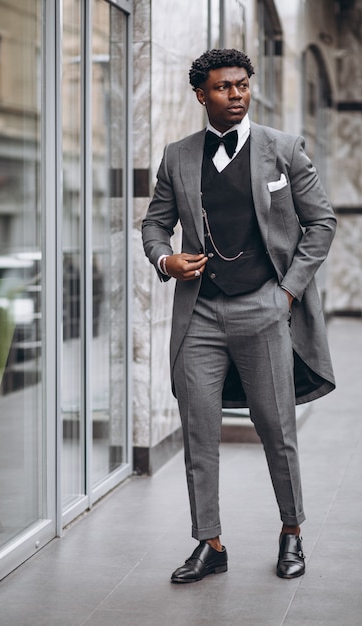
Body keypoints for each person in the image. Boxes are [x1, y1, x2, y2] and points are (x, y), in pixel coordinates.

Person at [142, 48, 336, 583]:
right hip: (199, 313)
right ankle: (210, 543)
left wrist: (288, 294)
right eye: (224, 87)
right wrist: (165, 258)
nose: (236, 95)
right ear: (202, 94)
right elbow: (154, 224)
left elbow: (321, 224)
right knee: (199, 434)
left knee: (277, 429)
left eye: (242, 85)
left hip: (264, 308)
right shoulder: (178, 156)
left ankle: (292, 533)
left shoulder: (284, 149)